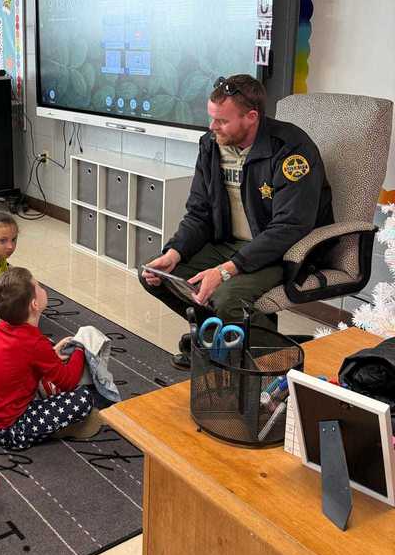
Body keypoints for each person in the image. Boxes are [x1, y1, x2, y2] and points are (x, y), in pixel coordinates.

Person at [140, 74, 333, 368]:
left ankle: (278, 360)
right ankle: (218, 337)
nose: (211, 127)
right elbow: (199, 212)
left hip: (281, 253)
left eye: (221, 121)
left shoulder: (292, 150)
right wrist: (174, 252)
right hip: (228, 244)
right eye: (211, 118)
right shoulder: (211, 145)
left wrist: (226, 271)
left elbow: (290, 228)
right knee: (155, 276)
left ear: (251, 117)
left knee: (227, 297)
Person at [0, 268, 100, 449]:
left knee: (44, 369)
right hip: (11, 430)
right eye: (39, 286)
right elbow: (68, 381)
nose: (42, 288)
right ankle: (57, 428)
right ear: (34, 304)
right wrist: (81, 347)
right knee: (83, 398)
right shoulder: (35, 343)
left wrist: (51, 352)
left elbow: (22, 359)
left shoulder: (3, 327)